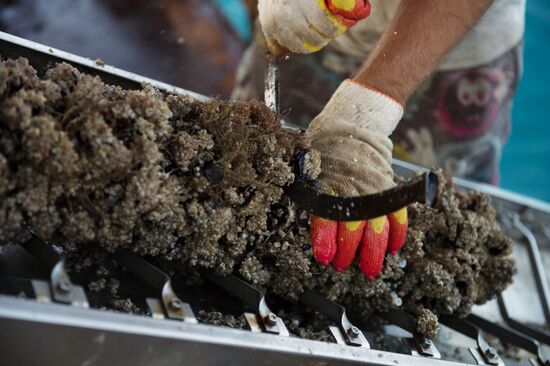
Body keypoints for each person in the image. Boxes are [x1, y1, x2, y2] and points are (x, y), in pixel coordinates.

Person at [232, 0, 525, 278]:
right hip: (307, 25)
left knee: (438, 237)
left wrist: (370, 110)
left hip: (447, 44)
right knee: (246, 164)